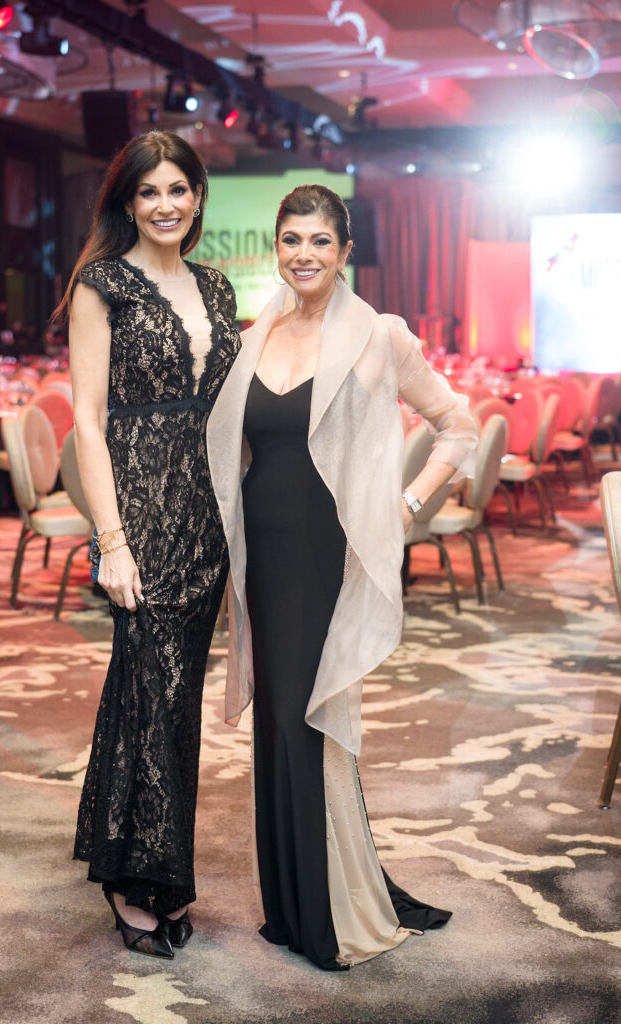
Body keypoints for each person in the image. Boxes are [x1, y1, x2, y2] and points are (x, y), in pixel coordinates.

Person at [207, 184, 477, 971]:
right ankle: (294, 905)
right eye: (291, 239)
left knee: (307, 717)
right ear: (278, 247)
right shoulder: (259, 335)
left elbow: (456, 422)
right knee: (278, 723)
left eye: (320, 241)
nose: (304, 254)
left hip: (330, 550)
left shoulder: (379, 335)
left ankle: (330, 910)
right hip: (264, 547)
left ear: (345, 251)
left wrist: (409, 500)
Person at [57, 131, 241, 959]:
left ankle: (156, 867)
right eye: (148, 192)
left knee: (177, 697)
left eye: (178, 189)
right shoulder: (102, 286)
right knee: (147, 689)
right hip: (140, 508)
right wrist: (113, 540)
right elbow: (88, 422)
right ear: (127, 203)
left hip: (207, 512)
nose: (165, 204)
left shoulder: (216, 283)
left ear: (197, 197)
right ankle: (137, 880)